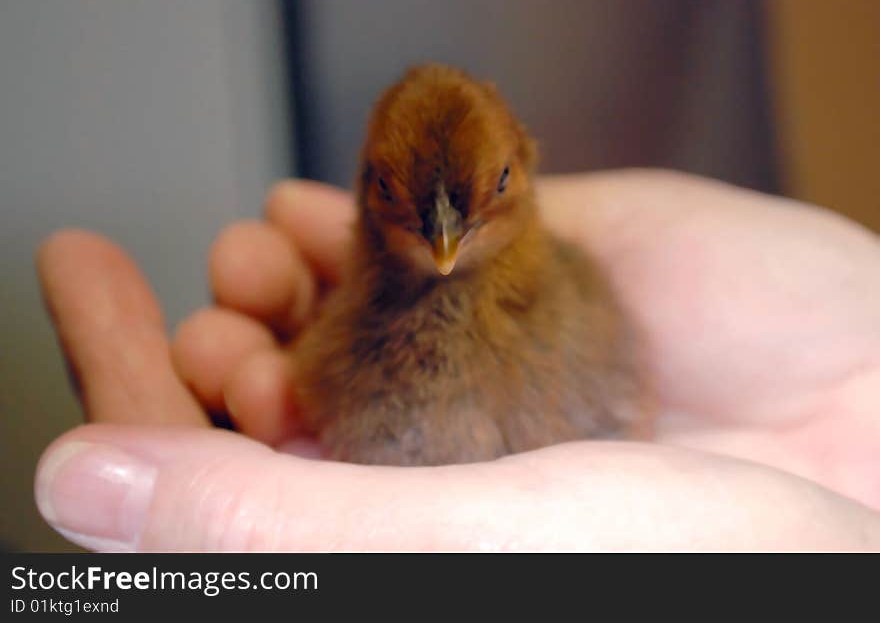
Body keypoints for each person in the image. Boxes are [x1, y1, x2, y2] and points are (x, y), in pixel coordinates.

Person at [33, 170, 880, 551]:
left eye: (484, 188)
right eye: (407, 199)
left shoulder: (569, 315)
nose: (444, 234)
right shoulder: (356, 327)